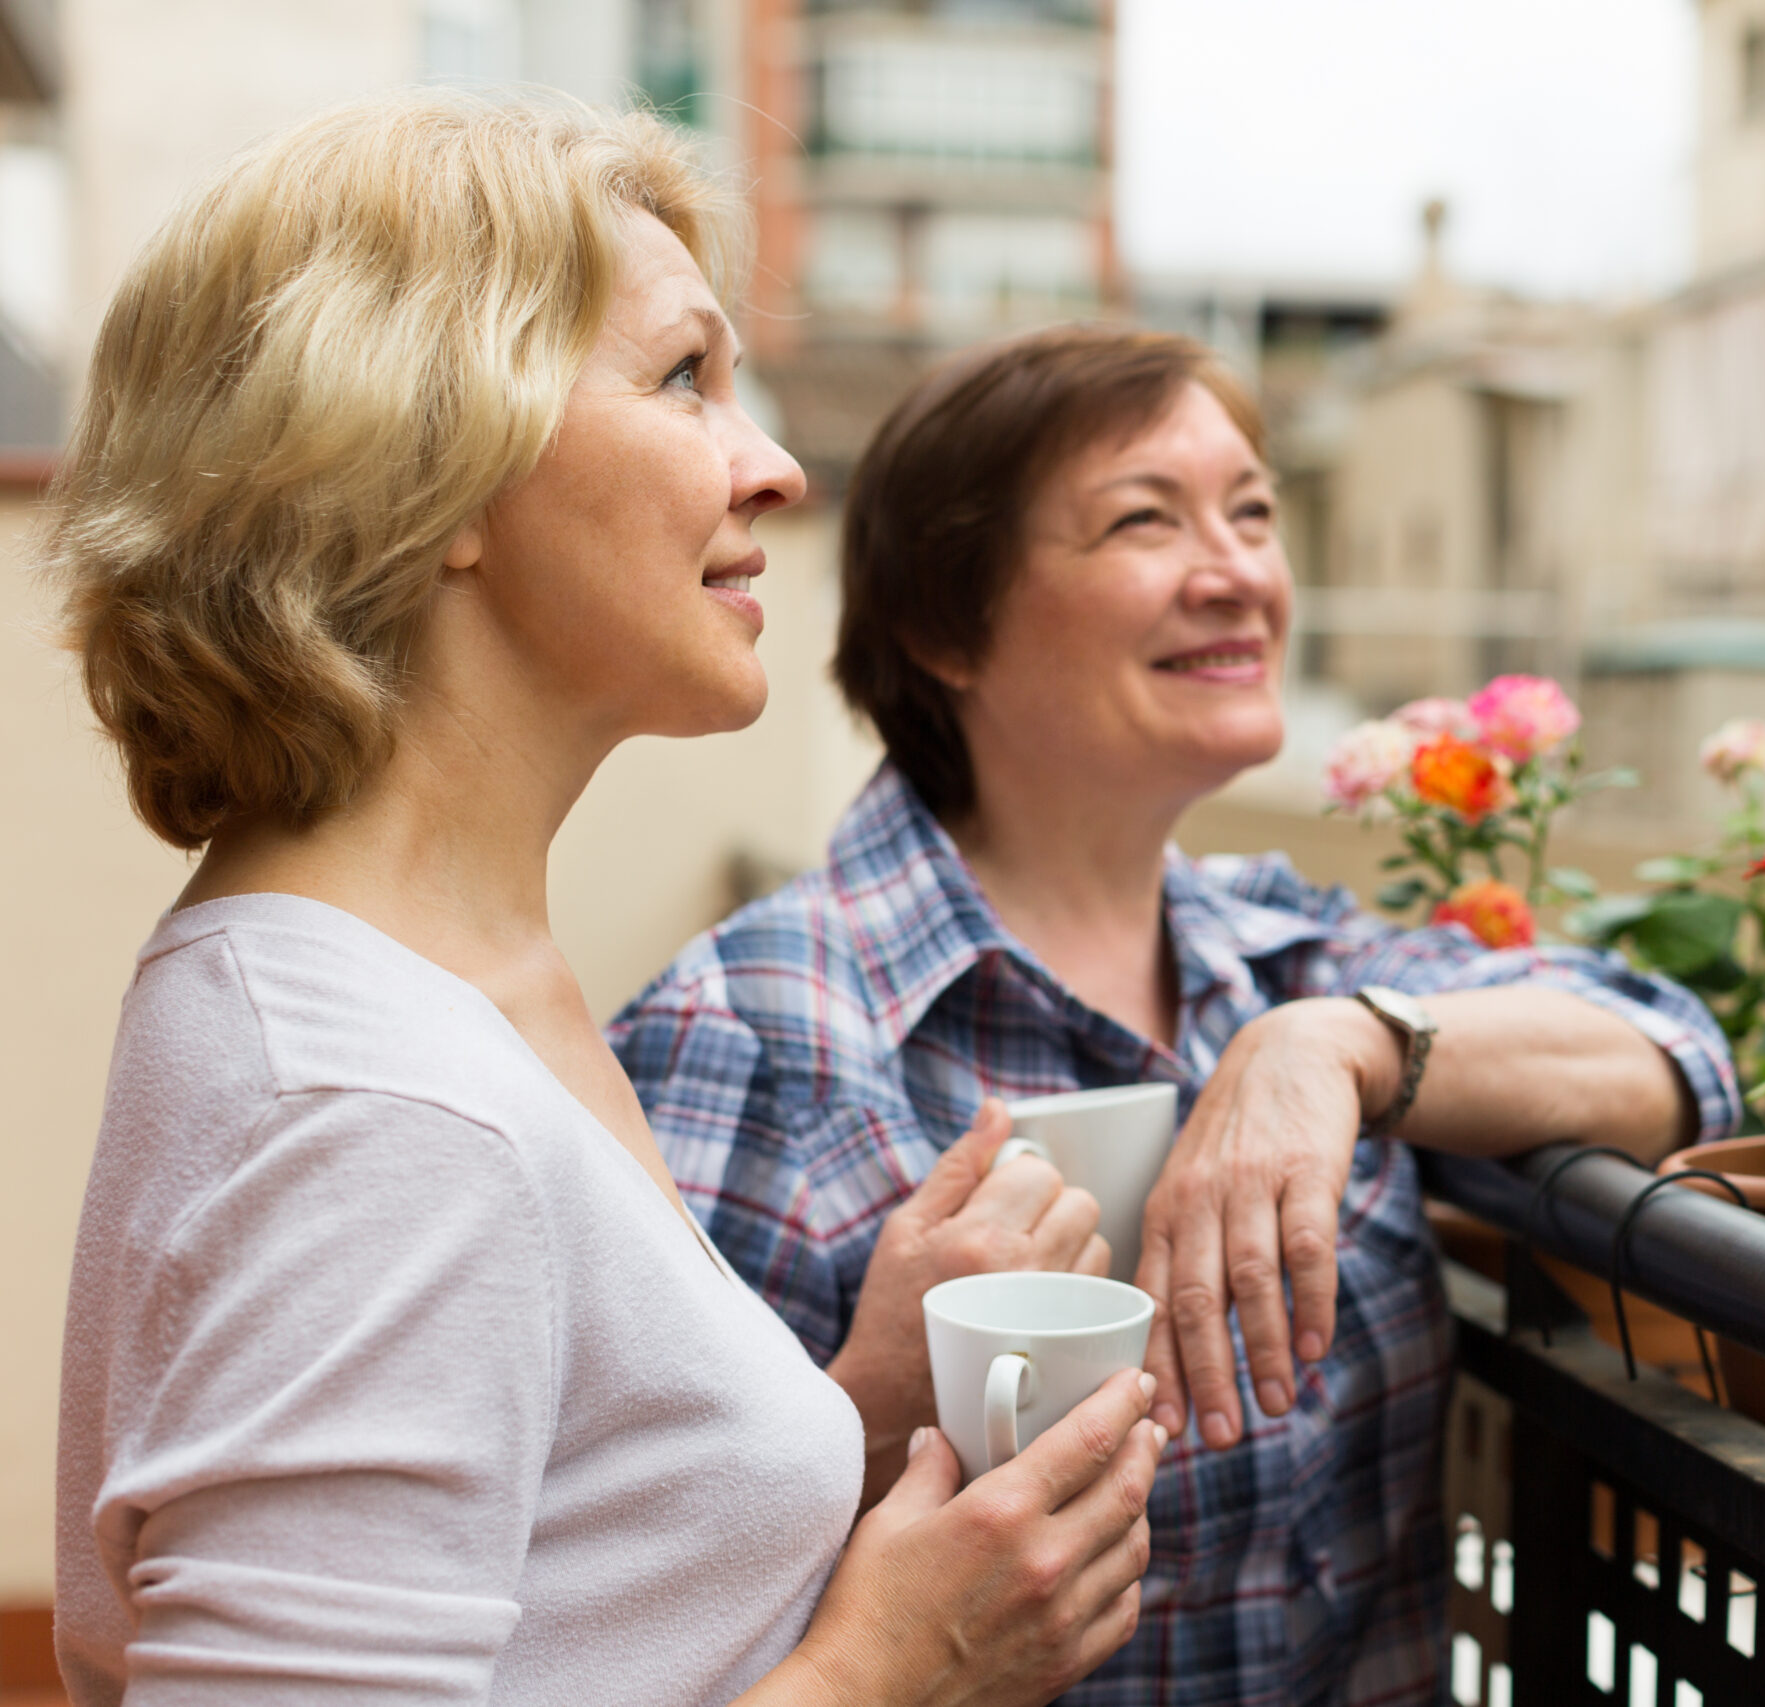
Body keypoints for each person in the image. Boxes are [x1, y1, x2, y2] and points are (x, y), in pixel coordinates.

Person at [48, 94, 1159, 1707]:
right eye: (684, 377)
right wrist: (889, 1672)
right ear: (429, 470)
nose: (772, 465)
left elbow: (562, 1582)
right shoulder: (375, 1109)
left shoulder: (434, 978)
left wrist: (858, 1398)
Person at [611, 324, 1741, 1705]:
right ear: (942, 625)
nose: (1239, 575)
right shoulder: (749, 1032)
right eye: (1146, 521)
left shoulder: (1281, 955)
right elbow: (633, 1605)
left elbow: (1674, 1048)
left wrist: (1342, 1047)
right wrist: (873, 1401)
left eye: (1253, 513)